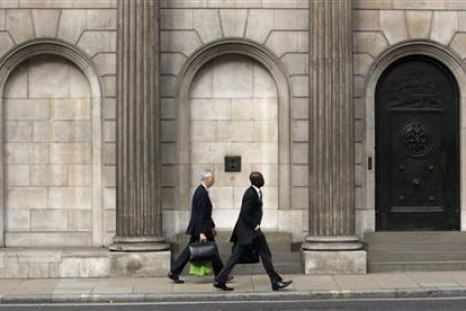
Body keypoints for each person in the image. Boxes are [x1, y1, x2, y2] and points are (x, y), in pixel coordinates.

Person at [214, 171, 293, 291]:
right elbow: (244, 214)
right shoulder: (250, 194)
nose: (263, 180)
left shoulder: (256, 192)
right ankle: (275, 282)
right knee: (242, 256)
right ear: (256, 180)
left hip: (251, 233)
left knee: (263, 255)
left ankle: (275, 281)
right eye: (261, 178)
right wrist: (255, 226)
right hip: (248, 233)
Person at [168, 170, 226, 284]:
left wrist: (212, 226)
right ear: (206, 179)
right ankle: (221, 275)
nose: (213, 181)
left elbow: (205, 213)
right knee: (200, 250)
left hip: (204, 227)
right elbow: (199, 213)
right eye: (212, 178)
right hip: (201, 228)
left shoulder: (202, 191)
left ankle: (174, 272)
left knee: (192, 251)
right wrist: (201, 232)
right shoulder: (201, 192)